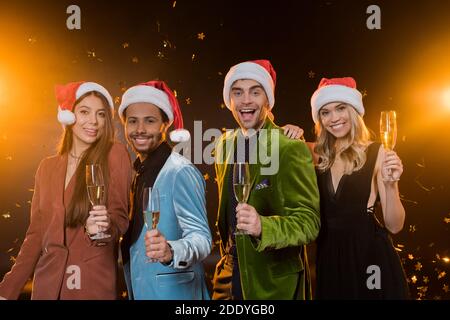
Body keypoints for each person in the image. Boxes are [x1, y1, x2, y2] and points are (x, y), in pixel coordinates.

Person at [0, 81, 132, 299]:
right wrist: (8, 289)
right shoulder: (47, 167)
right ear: (68, 116)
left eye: (100, 114)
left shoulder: (114, 154)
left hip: (92, 284)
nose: (93, 121)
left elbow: (120, 218)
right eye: (84, 112)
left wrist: (102, 226)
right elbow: (35, 235)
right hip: (47, 286)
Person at [212, 59, 321, 300]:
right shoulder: (224, 145)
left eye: (255, 92)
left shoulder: (289, 146)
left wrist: (264, 227)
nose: (246, 100)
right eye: (237, 92)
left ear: (267, 100)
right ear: (229, 100)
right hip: (228, 279)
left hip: (273, 286)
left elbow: (309, 222)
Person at [310, 77, 409, 299]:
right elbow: (275, 141)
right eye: (325, 112)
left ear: (353, 110)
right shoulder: (316, 155)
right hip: (328, 258)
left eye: (340, 108)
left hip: (369, 257)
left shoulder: (377, 152)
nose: (334, 118)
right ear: (319, 118)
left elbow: (394, 225)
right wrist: (289, 130)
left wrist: (391, 184)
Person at [118, 80, 212, 300]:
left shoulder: (180, 171)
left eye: (149, 121)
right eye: (133, 121)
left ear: (164, 124)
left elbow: (202, 239)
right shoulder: (135, 173)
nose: (140, 129)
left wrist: (171, 251)